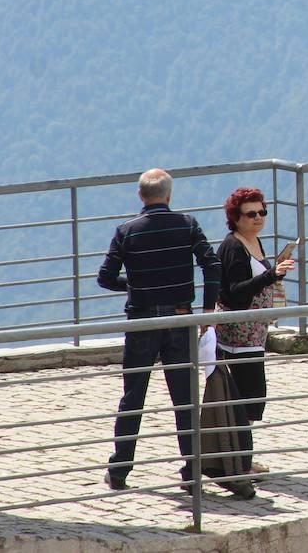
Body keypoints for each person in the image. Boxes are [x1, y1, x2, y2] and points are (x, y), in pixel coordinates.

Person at [96, 169, 226, 494]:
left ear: (141, 196)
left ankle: (120, 470)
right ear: (169, 196)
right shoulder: (187, 225)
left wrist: (135, 286)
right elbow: (212, 265)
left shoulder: (126, 231)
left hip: (141, 321)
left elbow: (104, 277)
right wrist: (208, 309)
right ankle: (192, 472)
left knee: (133, 397)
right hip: (181, 318)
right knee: (184, 398)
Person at [215, 187, 294, 478]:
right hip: (239, 335)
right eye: (251, 214)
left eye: (262, 212)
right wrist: (271, 275)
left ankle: (241, 457)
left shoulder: (253, 241)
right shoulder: (234, 248)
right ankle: (239, 460)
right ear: (236, 218)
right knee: (248, 396)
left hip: (253, 333)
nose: (258, 218)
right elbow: (235, 293)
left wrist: (275, 274)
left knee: (252, 397)